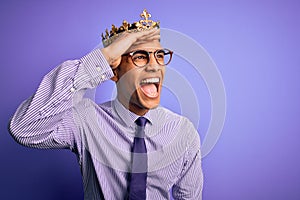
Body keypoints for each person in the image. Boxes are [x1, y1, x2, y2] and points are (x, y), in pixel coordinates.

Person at [9, 9, 203, 199]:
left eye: (159, 55)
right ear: (114, 72)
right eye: (140, 56)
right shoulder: (85, 119)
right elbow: (23, 128)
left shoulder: (183, 131)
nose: (154, 65)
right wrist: (104, 57)